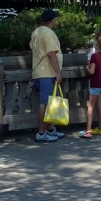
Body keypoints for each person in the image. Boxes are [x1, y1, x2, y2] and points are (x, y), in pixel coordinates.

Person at [30, 9, 64, 143]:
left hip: (39, 70)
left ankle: (50, 129)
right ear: (53, 20)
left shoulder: (36, 32)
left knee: (51, 102)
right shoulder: (49, 33)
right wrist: (58, 72)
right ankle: (41, 132)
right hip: (46, 72)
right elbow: (51, 54)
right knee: (45, 102)